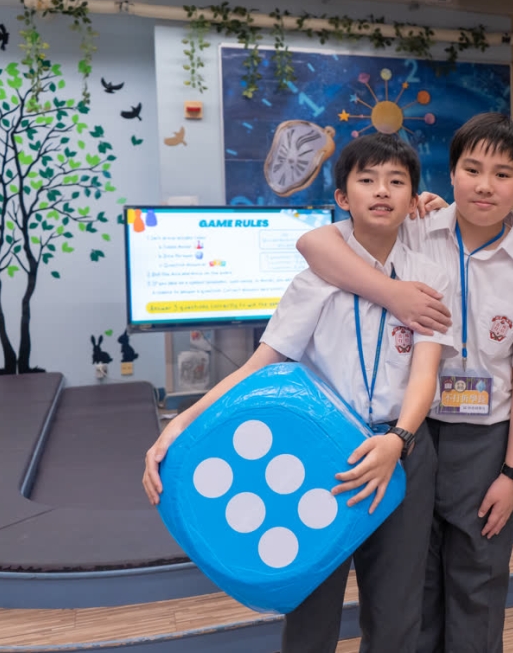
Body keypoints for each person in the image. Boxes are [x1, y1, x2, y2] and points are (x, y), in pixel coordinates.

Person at [142, 133, 455, 653]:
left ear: (413, 199)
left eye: (397, 181)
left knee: (398, 613)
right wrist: (180, 422)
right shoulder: (315, 282)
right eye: (367, 180)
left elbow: (426, 372)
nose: (382, 190)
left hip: (400, 454)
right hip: (317, 454)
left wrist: (398, 439)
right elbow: (259, 367)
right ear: (342, 197)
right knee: (312, 610)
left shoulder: (430, 277)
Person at [295, 113, 513, 653]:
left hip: (481, 442)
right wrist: (394, 294)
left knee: (477, 580)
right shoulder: (415, 226)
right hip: (406, 431)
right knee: (409, 585)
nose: (485, 185)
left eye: (503, 174)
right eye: (472, 169)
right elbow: (314, 245)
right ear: (452, 173)